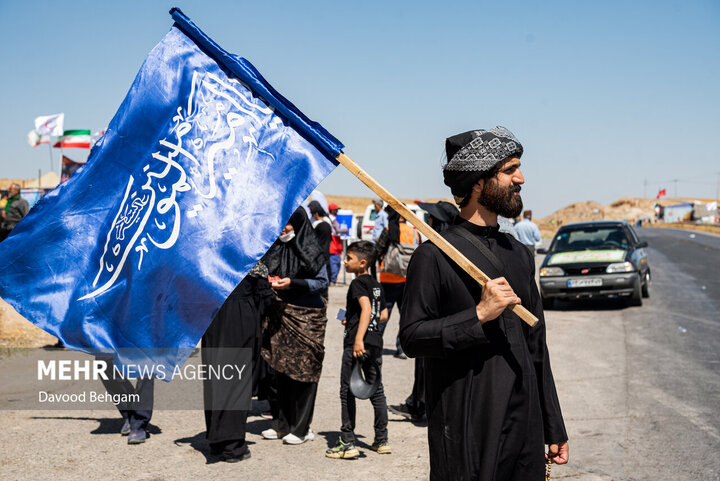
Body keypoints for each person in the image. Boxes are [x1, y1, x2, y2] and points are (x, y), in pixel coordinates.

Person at [399, 126, 568, 480]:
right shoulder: (434, 256)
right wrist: (478, 315)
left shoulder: (519, 254)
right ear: (478, 182)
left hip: (524, 426)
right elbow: (412, 337)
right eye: (510, 170)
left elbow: (537, 344)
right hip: (468, 428)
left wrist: (553, 424)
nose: (520, 178)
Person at [261, 207, 329, 445]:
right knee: (279, 370)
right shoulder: (276, 247)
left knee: (303, 372)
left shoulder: (312, 250)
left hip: (307, 317)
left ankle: (301, 428)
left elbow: (321, 282)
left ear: (298, 225)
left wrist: (294, 283)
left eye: (288, 224)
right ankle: (280, 424)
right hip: (279, 313)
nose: (283, 229)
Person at [388, 200, 457, 422]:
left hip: (436, 322)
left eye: (431, 217)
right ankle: (417, 402)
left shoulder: (437, 252)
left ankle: (421, 405)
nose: (427, 220)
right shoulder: (444, 248)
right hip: (436, 322)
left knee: (429, 366)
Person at [202, 261, 273, 462]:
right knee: (237, 382)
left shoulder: (209, 255)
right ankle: (233, 446)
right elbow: (265, 295)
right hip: (241, 318)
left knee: (215, 379)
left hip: (212, 319)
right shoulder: (249, 254)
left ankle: (216, 441)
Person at [326, 240, 390, 459]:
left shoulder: (357, 284)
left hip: (357, 345)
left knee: (347, 391)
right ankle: (381, 440)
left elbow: (366, 308)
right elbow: (382, 315)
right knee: (377, 390)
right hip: (375, 343)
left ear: (363, 263)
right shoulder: (377, 285)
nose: (344, 261)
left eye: (349, 258)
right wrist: (353, 321)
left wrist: (358, 338)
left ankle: (347, 442)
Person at [376, 207, 420, 359]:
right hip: (407, 280)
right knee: (405, 316)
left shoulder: (389, 230)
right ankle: (401, 348)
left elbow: (378, 250)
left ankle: (375, 345)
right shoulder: (414, 232)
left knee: (383, 313)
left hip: (388, 279)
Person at [308, 200, 333, 299]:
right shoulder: (326, 222)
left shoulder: (322, 225)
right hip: (324, 255)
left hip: (320, 256)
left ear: (316, 213)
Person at [327, 203, 349, 285]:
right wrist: (345, 230)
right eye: (336, 209)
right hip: (334, 243)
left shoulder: (329, 218)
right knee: (335, 263)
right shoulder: (333, 219)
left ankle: (332, 280)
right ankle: (332, 280)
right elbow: (338, 230)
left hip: (334, 242)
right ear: (332, 210)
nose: (337, 211)